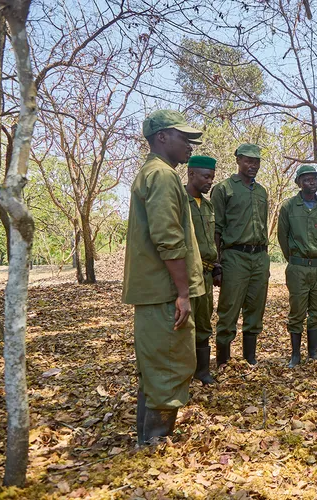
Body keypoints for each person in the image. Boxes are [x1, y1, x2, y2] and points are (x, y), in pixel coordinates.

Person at [122, 109, 205, 444]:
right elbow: (167, 237)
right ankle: (154, 442)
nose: (190, 145)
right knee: (170, 363)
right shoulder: (163, 175)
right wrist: (183, 292)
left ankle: (147, 437)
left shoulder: (151, 173)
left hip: (154, 290)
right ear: (162, 137)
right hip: (164, 290)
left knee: (155, 364)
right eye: (184, 138)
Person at [211, 143, 269, 366]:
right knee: (229, 308)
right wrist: (216, 263)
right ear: (238, 160)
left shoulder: (262, 191)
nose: (253, 165)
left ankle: (250, 358)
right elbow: (216, 228)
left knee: (256, 306)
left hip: (260, 256)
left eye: (256, 162)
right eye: (248, 160)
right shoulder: (224, 189)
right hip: (234, 256)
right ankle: (223, 360)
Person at [277, 165, 317, 368]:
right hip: (297, 266)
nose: (312, 183)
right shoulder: (289, 207)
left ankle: (313, 352)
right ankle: (295, 355)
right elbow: (282, 236)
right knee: (297, 310)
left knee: (316, 310)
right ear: (299, 183)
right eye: (307, 179)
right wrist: (293, 258)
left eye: (315, 179)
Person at [185, 155, 221, 385]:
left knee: (204, 322)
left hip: (207, 274)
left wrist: (217, 266)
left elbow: (211, 240)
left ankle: (202, 371)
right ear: (191, 174)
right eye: (206, 177)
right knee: (185, 324)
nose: (210, 182)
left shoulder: (207, 206)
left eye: (212, 177)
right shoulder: (179, 200)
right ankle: (183, 372)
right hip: (187, 273)